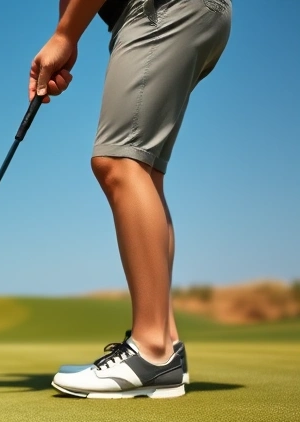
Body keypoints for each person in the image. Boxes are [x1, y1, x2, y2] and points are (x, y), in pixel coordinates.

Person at [30, 0, 232, 398]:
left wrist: (65, 35)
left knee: (118, 162)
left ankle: (151, 350)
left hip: (163, 8)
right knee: (145, 171)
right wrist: (67, 31)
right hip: (185, 11)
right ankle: (165, 344)